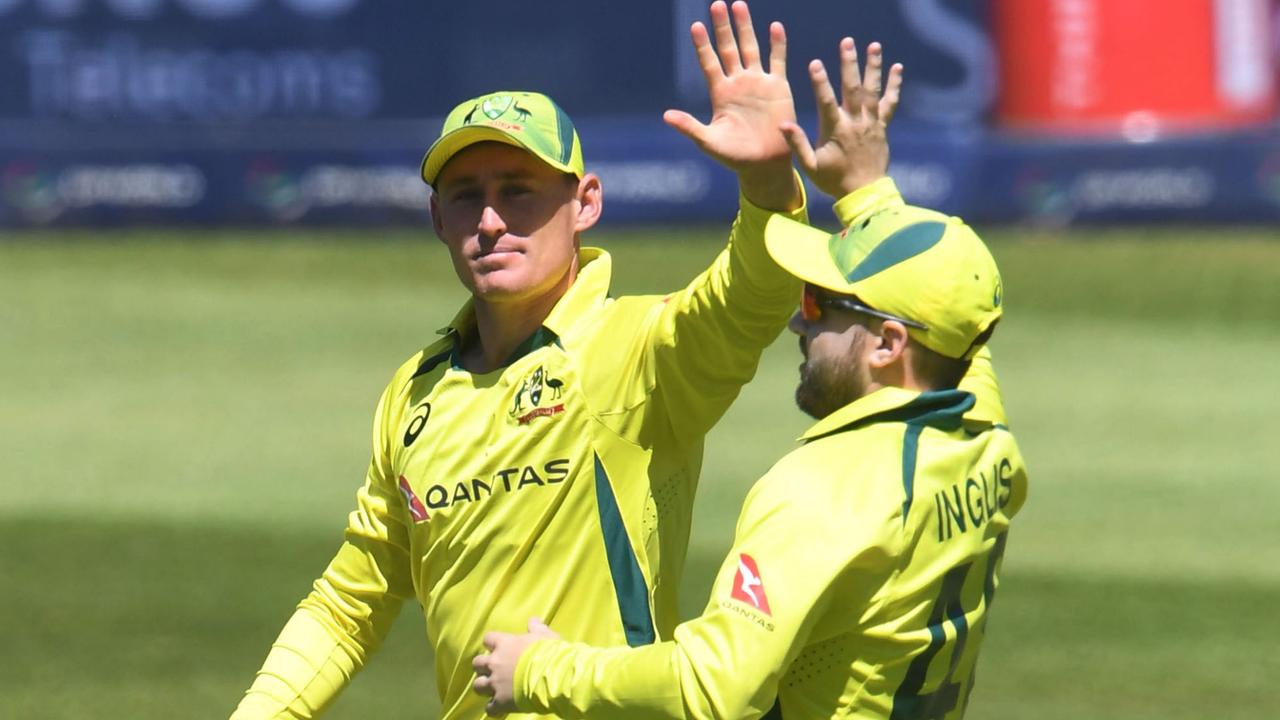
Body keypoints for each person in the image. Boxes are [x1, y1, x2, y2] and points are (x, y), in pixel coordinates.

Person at [230, 3, 905, 718]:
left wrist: (767, 183)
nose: (490, 221)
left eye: (518, 193)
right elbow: (348, 603)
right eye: (467, 197)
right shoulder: (415, 394)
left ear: (584, 204)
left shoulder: (635, 351)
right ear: (437, 220)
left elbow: (753, 296)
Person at [471, 36, 1028, 720]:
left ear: (888, 345)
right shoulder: (986, 441)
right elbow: (965, 323)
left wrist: (542, 670)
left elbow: (712, 689)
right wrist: (866, 192)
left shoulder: (820, 495)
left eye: (822, 305)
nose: (799, 324)